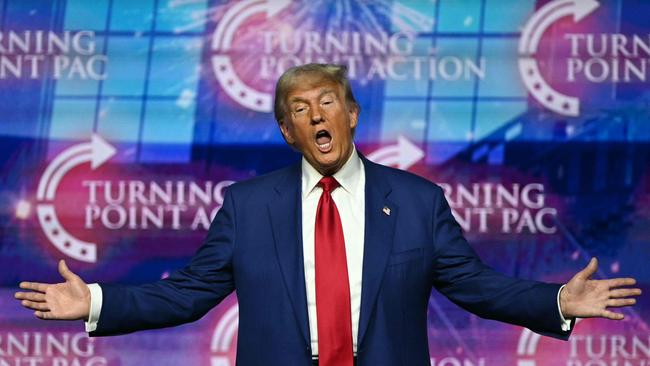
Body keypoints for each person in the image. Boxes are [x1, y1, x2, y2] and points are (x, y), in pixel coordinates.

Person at [15, 64, 641, 366]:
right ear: (288, 132)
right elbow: (187, 296)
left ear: (352, 114)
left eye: (328, 103)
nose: (317, 116)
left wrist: (556, 301)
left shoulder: (419, 202)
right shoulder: (248, 206)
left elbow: (476, 286)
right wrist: (95, 303)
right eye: (300, 109)